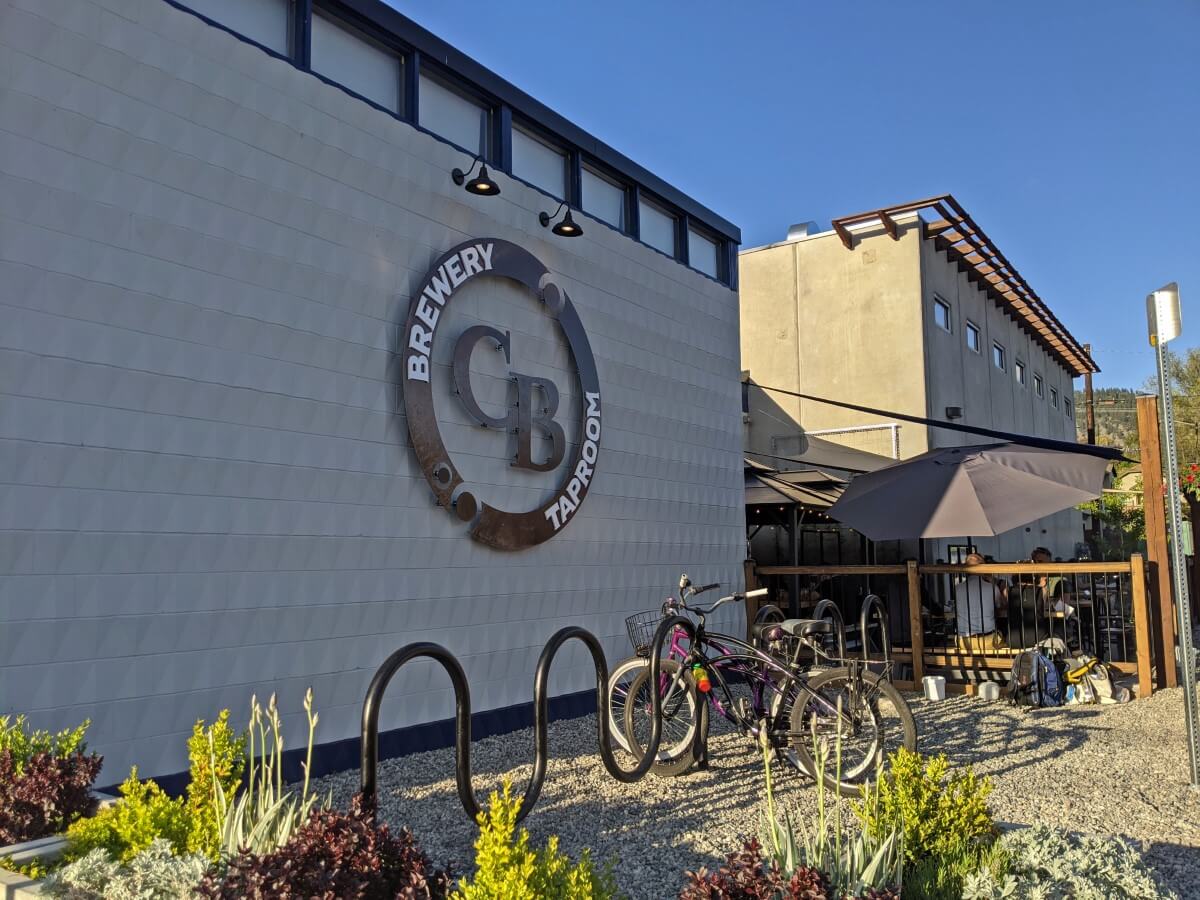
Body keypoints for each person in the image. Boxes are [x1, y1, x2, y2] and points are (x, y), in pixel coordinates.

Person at [954, 552, 1007, 653]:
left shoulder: (958, 589)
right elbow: (1000, 607)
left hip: (963, 642)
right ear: (983, 568)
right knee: (1004, 635)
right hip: (987, 641)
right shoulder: (992, 587)